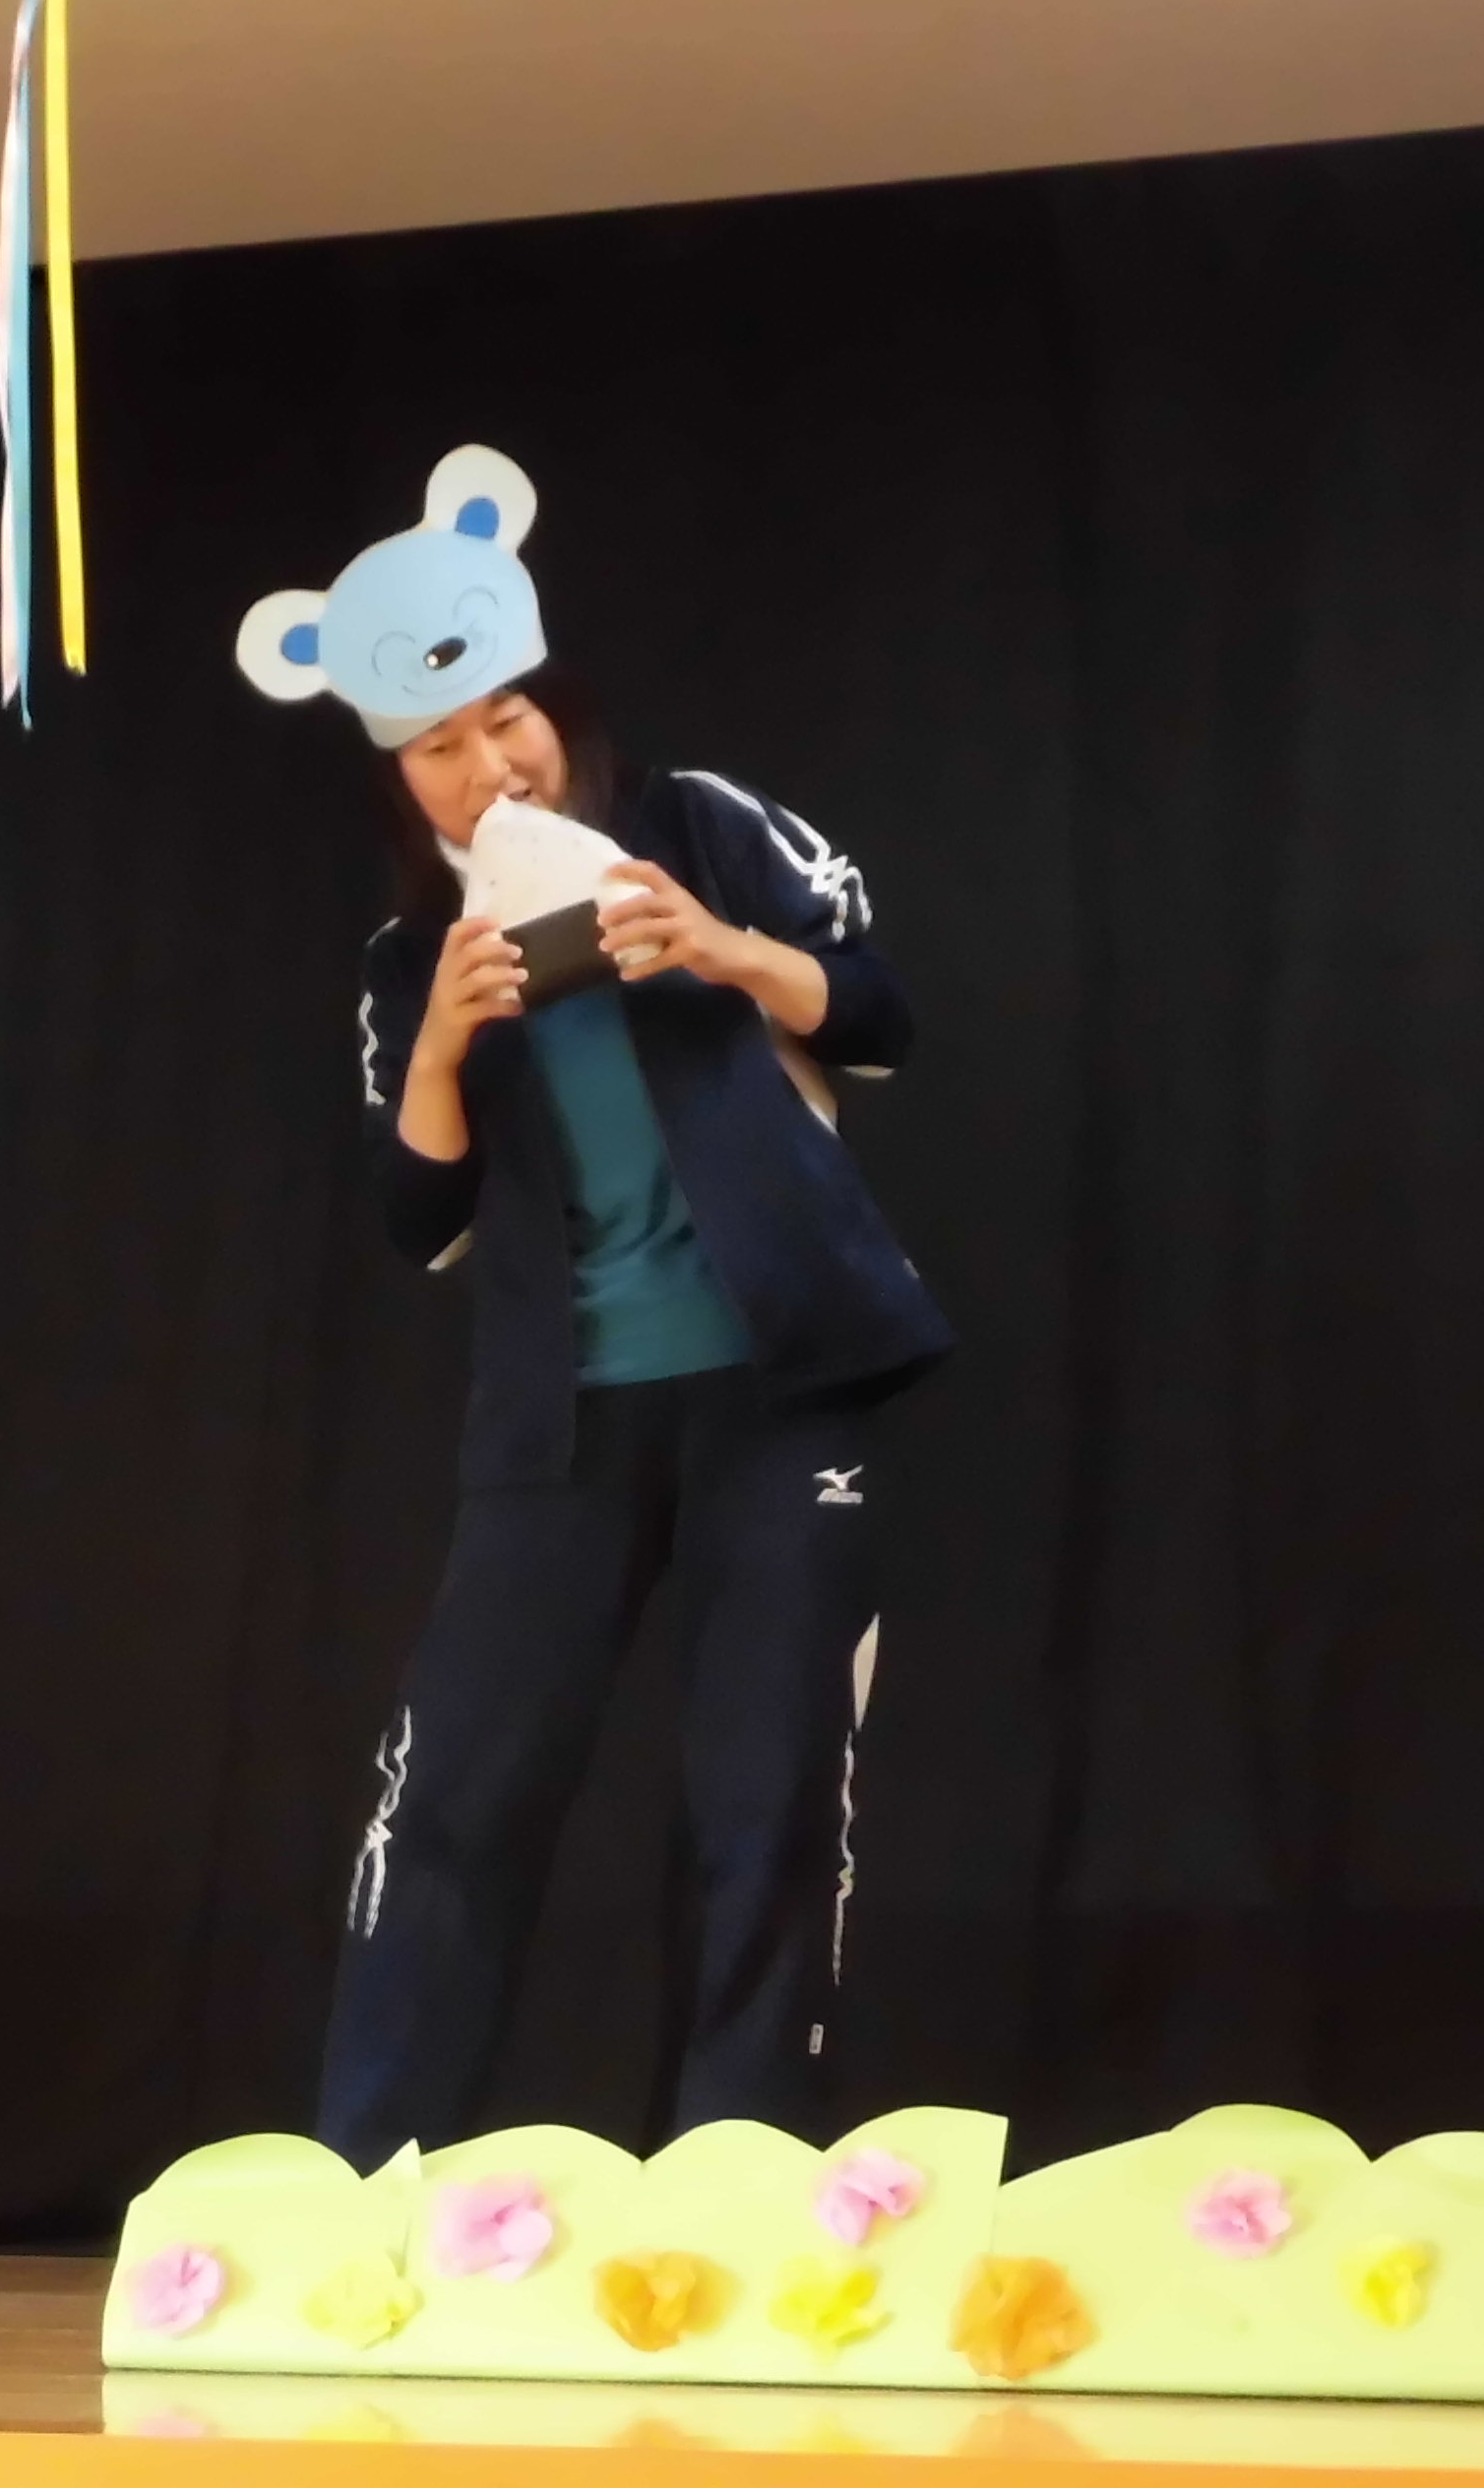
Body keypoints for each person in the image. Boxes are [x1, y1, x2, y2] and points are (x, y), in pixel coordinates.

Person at [234, 448, 951, 2163]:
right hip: (561, 1421)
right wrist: (440, 1051)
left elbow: (881, 1012)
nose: (491, 766)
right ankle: (371, 2176)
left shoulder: (698, 823)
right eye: (439, 745)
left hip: (783, 1390)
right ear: (396, 774)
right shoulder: (407, 961)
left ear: (554, 703)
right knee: (459, 1796)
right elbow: (417, 1222)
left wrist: (724, 949)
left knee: (770, 1795)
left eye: (509, 719)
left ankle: (740, 2180)